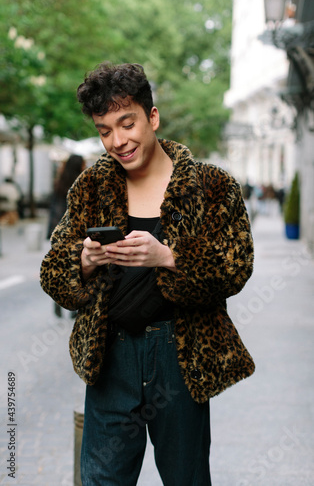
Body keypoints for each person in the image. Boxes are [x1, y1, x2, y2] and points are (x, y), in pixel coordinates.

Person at [40, 62, 255, 486]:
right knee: (101, 480)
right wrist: (83, 262)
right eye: (105, 130)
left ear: (152, 117)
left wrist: (169, 257)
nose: (118, 141)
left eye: (127, 123)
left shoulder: (212, 186)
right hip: (111, 357)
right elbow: (52, 272)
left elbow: (236, 266)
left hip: (179, 355)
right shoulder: (91, 187)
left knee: (186, 479)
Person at [46, 154, 86, 317]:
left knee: (60, 268)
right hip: (77, 232)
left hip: (60, 230)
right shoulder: (82, 182)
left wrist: (51, 231)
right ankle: (73, 308)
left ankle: (58, 301)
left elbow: (54, 209)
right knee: (76, 269)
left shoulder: (59, 182)